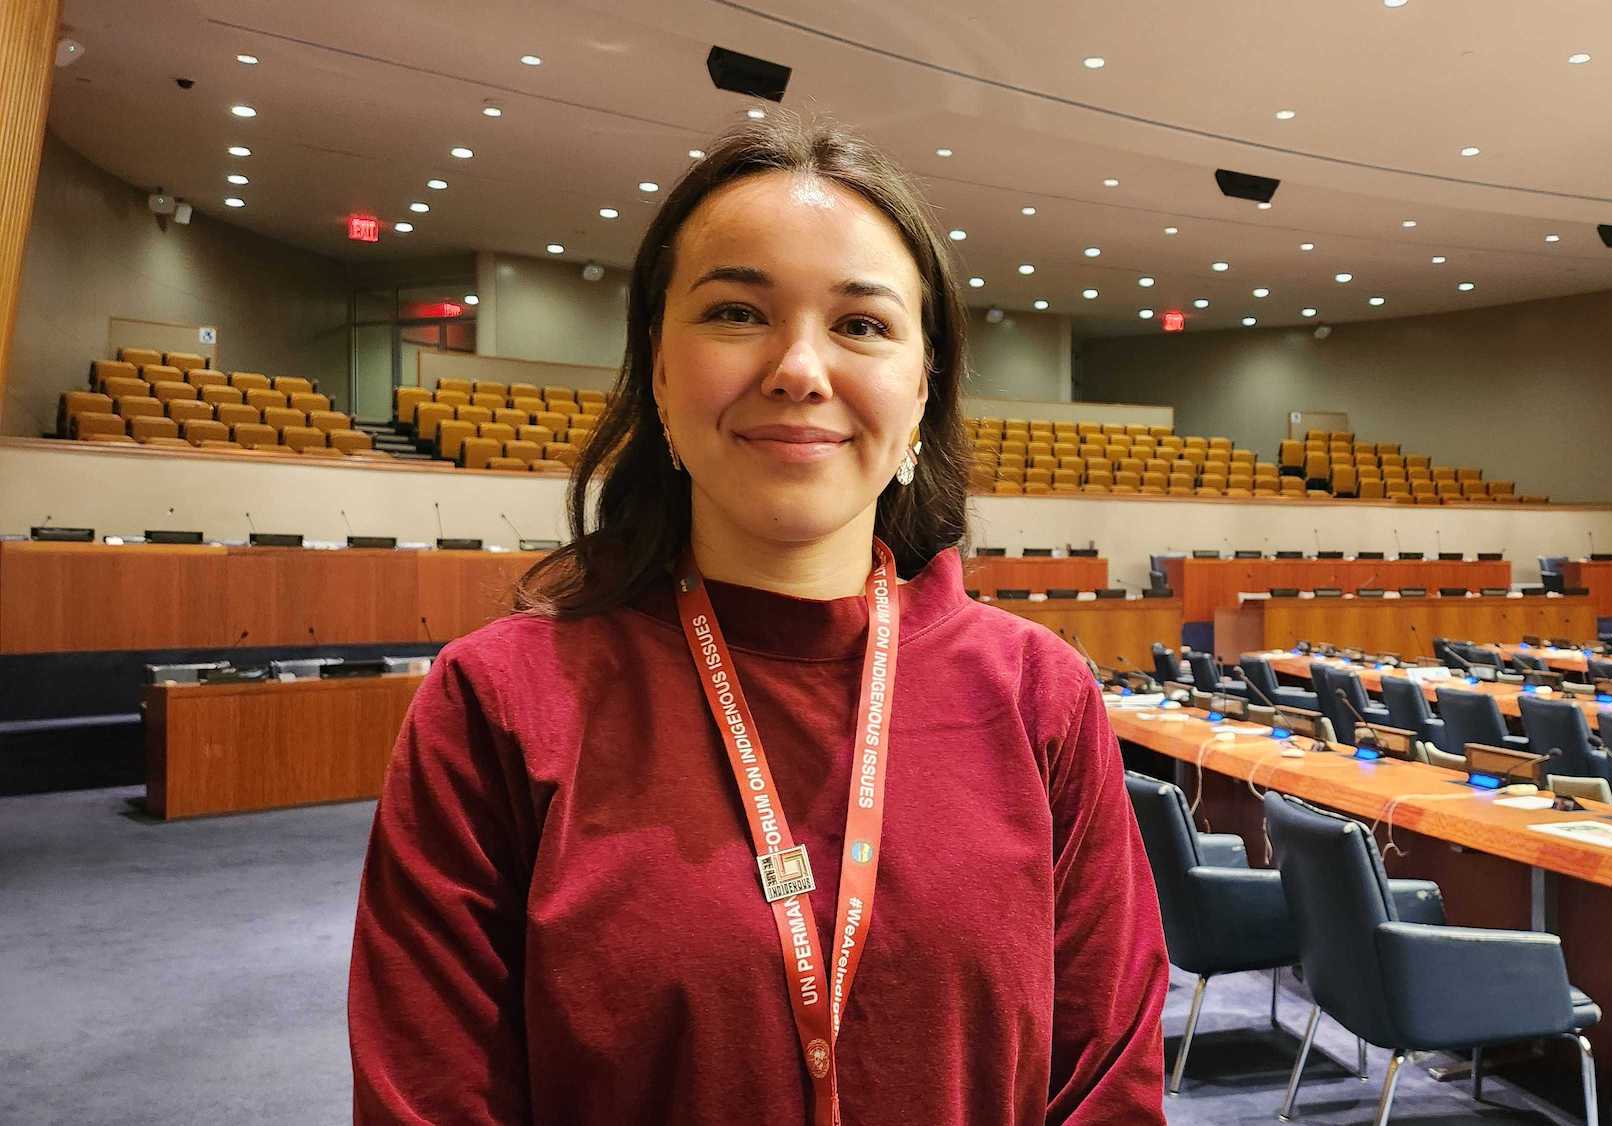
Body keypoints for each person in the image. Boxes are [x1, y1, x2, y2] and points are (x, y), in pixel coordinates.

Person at [347, 111, 1170, 1125]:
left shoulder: (1038, 695)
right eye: (737, 311)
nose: (798, 368)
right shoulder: (498, 701)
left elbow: (1109, 1084)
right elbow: (428, 1100)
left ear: (924, 389)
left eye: (862, 324)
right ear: (656, 367)